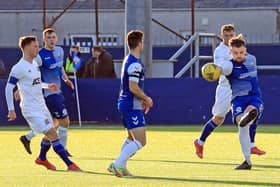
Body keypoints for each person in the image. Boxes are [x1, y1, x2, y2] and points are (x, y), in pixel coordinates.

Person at [5, 35, 81, 171]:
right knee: (53, 134)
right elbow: (8, 87)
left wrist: (47, 86)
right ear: (27, 47)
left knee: (51, 131)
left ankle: (41, 158)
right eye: (35, 46)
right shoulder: (19, 67)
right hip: (31, 109)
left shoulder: (34, 64)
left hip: (42, 106)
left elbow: (36, 83)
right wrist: (11, 109)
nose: (37, 48)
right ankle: (70, 164)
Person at [194, 24, 265, 159]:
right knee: (219, 118)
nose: (228, 37)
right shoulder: (220, 51)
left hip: (241, 87)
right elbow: (220, 69)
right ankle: (200, 141)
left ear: (234, 34)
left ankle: (251, 145)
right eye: (226, 35)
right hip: (226, 87)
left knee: (251, 111)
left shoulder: (238, 48)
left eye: (231, 35)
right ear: (222, 36)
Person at [19, 28, 74, 156]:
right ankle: (64, 149)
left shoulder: (60, 51)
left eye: (53, 37)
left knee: (52, 124)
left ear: (57, 38)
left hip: (57, 91)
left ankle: (29, 138)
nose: (51, 40)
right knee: (64, 122)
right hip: (49, 93)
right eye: (48, 37)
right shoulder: (39, 56)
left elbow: (60, 67)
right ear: (44, 40)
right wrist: (20, 86)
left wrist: (66, 79)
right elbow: (28, 70)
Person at [107, 30, 153, 177]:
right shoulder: (135, 64)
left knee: (131, 138)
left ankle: (121, 166)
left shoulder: (128, 59)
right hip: (131, 104)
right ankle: (117, 164)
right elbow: (133, 87)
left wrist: (142, 99)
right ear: (139, 43)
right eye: (143, 41)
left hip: (127, 103)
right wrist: (146, 98)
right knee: (141, 141)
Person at [217, 35, 264, 169]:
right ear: (230, 52)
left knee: (249, 112)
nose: (239, 55)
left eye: (241, 52)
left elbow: (245, 54)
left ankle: (249, 115)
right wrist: (215, 69)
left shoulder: (252, 59)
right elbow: (221, 69)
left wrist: (238, 39)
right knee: (241, 124)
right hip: (237, 99)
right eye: (235, 53)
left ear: (246, 51)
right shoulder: (229, 65)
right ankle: (247, 161)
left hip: (254, 97)